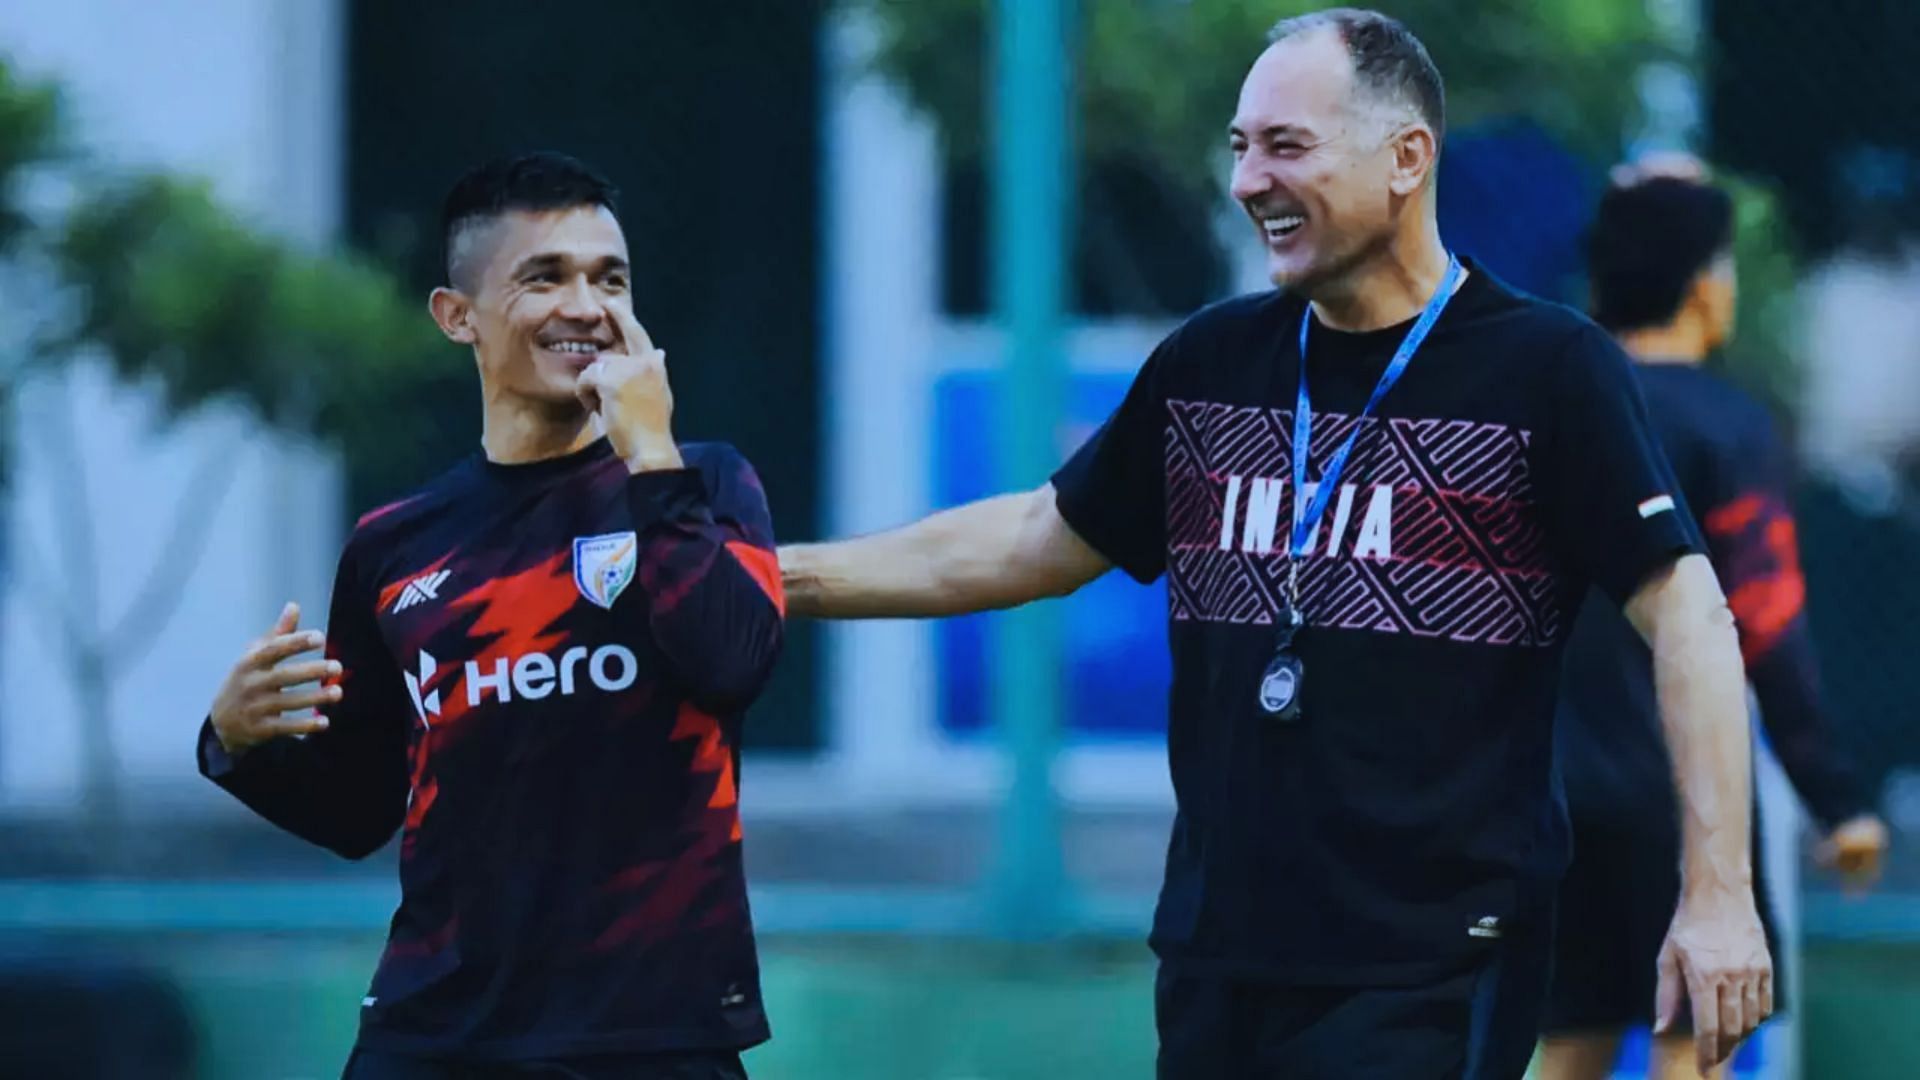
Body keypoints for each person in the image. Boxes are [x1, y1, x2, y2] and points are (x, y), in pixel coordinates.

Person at [780, 9, 1771, 1078]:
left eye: (1286, 146)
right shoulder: (1213, 360)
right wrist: (777, 578)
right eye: (1240, 147)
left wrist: (1718, 897)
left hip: (1433, 961)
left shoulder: (1548, 371)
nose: (1250, 180)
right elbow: (1034, 535)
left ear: (1406, 159)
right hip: (1220, 953)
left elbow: (1691, 617)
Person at [195, 152, 785, 1079]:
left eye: (610, 279)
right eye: (545, 277)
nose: (586, 307)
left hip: (652, 1038)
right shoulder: (393, 548)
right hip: (432, 1040)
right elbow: (359, 812)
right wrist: (236, 742)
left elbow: (732, 665)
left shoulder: (702, 484)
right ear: (456, 315)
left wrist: (650, 453)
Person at [1536, 166, 1889, 1080]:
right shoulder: (1729, 429)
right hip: (1677, 796)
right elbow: (1765, 623)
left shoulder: (1551, 405)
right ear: (1704, 286)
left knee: (1564, 1041)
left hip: (1547, 789)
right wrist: (1836, 796)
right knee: (1692, 1044)